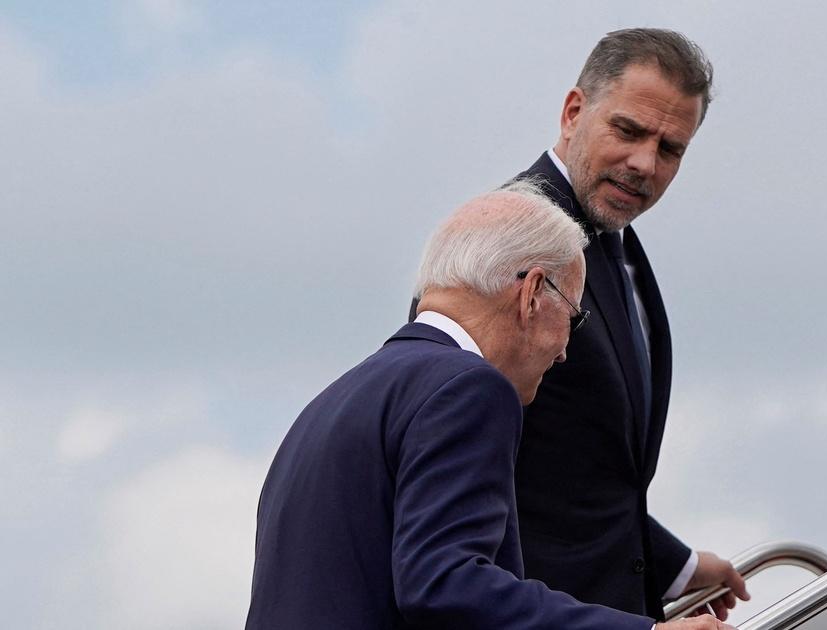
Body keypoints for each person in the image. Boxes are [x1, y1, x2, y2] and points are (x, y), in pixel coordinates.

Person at [247, 183, 735, 629]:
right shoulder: (470, 387)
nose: (566, 350)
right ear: (531, 294)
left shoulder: (327, 407)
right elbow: (446, 584)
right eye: (575, 317)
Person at [512, 28, 750, 621]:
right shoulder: (505, 239)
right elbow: (458, 468)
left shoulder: (614, 243)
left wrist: (676, 566)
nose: (645, 163)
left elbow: (580, 478)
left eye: (671, 149)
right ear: (573, 113)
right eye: (629, 131)